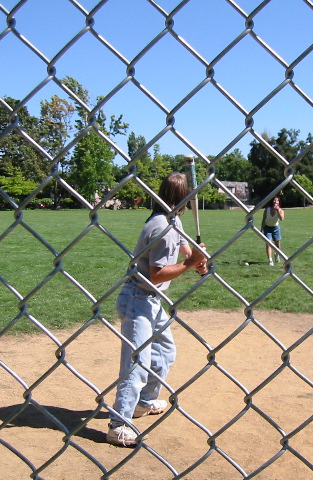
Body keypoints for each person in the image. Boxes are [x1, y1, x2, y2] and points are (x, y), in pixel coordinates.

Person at [107, 172, 207, 447]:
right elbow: (157, 274)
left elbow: (186, 248)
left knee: (164, 352)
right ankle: (118, 425)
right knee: (136, 363)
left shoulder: (173, 220)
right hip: (138, 298)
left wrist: (195, 258)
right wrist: (189, 265)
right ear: (183, 198)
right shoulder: (160, 227)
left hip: (151, 301)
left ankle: (144, 402)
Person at [261, 196, 285, 266]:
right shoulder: (267, 210)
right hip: (267, 228)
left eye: (277, 200)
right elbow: (263, 220)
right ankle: (270, 260)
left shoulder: (280, 210)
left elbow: (282, 219)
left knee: (277, 245)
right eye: (274, 200)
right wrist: (261, 229)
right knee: (269, 243)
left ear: (279, 202)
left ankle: (277, 255)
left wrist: (277, 210)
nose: (275, 202)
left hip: (276, 228)